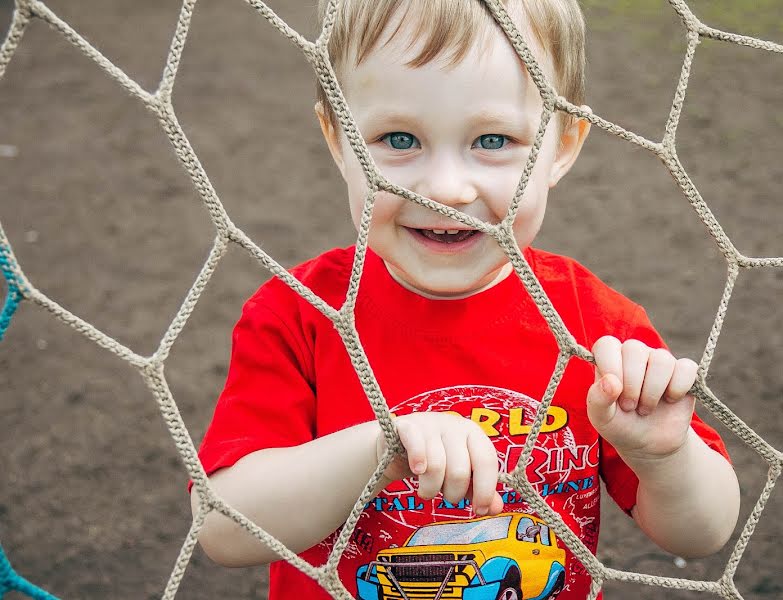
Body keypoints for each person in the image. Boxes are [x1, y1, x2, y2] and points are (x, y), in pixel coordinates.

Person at [191, 0, 740, 598]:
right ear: (338, 139)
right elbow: (224, 530)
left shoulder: (596, 329)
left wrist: (663, 456)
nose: (447, 188)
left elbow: (703, 532)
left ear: (562, 145)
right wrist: (380, 450)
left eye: (493, 140)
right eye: (398, 139)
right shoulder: (301, 314)